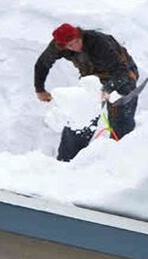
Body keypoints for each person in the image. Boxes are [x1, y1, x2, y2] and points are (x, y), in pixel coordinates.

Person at [34, 23, 141, 161]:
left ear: (79, 35)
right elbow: (42, 64)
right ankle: (67, 161)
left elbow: (120, 71)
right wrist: (40, 89)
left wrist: (107, 89)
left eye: (76, 42)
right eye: (70, 46)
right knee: (81, 115)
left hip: (123, 74)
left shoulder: (98, 42)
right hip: (92, 78)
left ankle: (118, 159)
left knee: (121, 117)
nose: (75, 47)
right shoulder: (58, 45)